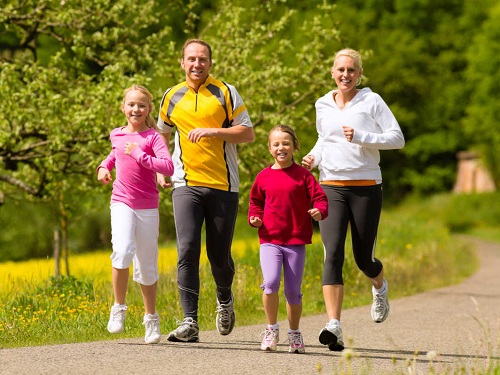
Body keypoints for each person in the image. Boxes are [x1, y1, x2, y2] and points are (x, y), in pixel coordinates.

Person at [301, 48, 405, 351]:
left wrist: (363, 136)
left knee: (363, 258)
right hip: (331, 185)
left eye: (351, 70)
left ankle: (379, 286)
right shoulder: (322, 103)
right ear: (332, 72)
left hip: (366, 186)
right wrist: (314, 157)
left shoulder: (372, 101)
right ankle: (333, 324)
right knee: (331, 252)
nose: (345, 75)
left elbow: (397, 138)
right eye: (340, 70)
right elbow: (325, 138)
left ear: (359, 74)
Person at [156, 39, 255, 342]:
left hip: (224, 185)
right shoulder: (171, 96)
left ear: (210, 63)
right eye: (191, 59)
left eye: (202, 59)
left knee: (218, 255)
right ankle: (190, 321)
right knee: (186, 249)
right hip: (186, 183)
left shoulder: (225, 92)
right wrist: (162, 168)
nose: (196, 64)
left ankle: (224, 300)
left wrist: (215, 131)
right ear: (181, 63)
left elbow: (247, 133)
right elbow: (161, 133)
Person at [97, 84, 174, 344]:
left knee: (146, 264)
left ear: (149, 109)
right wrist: (103, 167)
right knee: (122, 249)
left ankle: (151, 318)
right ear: (123, 107)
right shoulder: (116, 135)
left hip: (147, 205)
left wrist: (140, 155)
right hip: (121, 200)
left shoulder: (153, 138)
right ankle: (118, 307)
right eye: (131, 104)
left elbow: (167, 166)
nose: (136, 109)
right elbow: (114, 154)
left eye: (141, 105)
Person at [248, 125, 328, 354]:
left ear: (294, 147)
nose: (281, 147)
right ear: (269, 148)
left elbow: (320, 199)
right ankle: (271, 329)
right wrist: (255, 218)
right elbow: (255, 203)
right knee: (271, 282)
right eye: (276, 144)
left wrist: (319, 211)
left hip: (295, 240)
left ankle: (294, 333)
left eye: (286, 143)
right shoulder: (263, 177)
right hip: (270, 239)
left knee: (293, 291)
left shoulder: (304, 176)